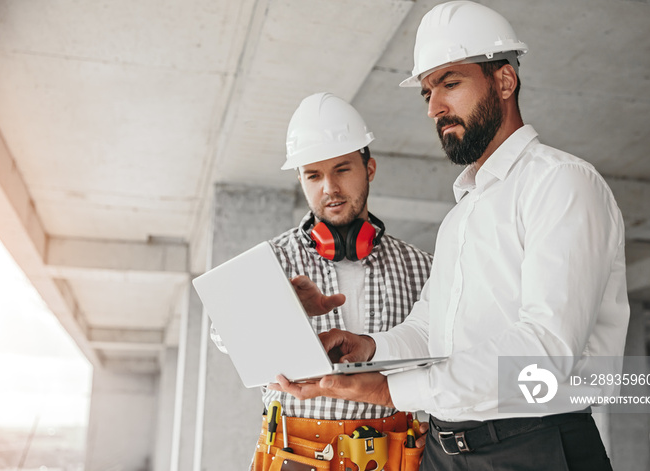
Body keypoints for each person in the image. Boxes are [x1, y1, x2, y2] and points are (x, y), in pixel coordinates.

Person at [270, 2, 630, 470]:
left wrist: (388, 389)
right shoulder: (462, 216)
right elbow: (430, 329)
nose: (435, 108)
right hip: (445, 451)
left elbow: (546, 350)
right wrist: (370, 347)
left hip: (533, 445)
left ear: (504, 81)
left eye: (451, 83)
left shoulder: (560, 183)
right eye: (426, 93)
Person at [211, 92, 433, 471]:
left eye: (342, 169)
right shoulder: (274, 261)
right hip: (298, 455)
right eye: (313, 175)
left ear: (370, 169)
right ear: (301, 180)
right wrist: (278, 308)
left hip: (397, 452)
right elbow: (224, 334)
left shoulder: (420, 266)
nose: (328, 187)